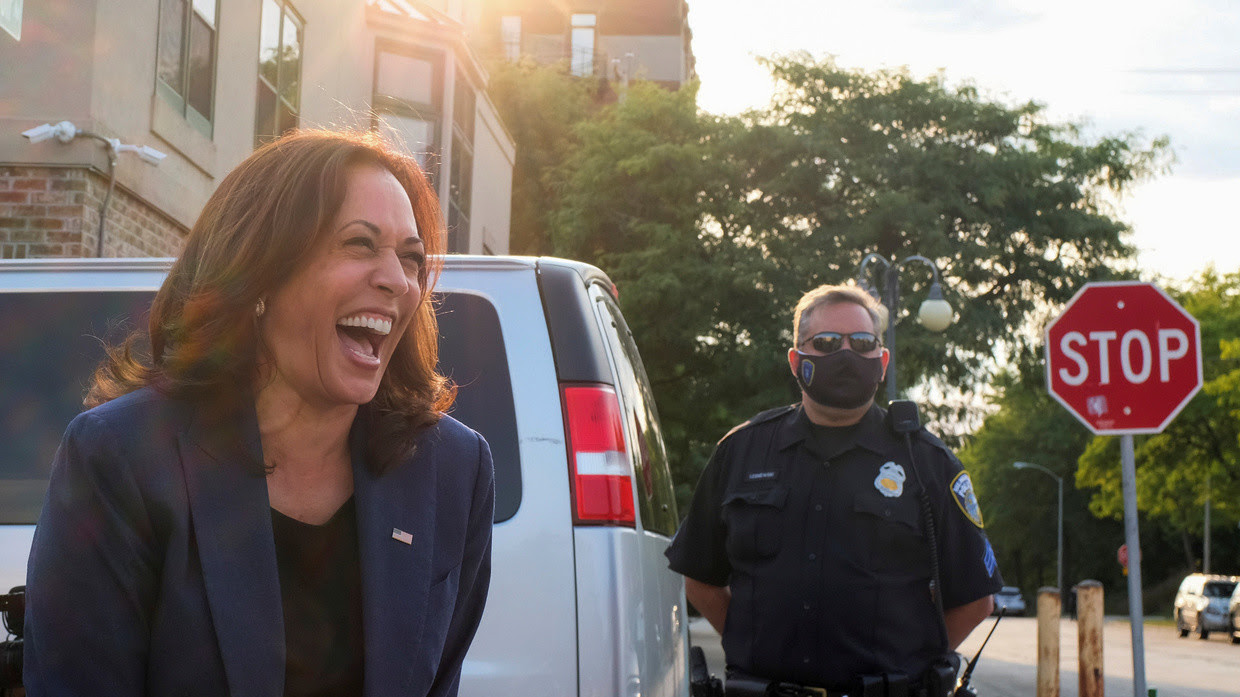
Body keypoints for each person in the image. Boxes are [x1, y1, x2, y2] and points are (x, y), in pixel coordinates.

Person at [23, 130, 495, 697]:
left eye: (412, 258)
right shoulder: (121, 458)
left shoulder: (453, 470)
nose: (398, 280)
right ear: (261, 273)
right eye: (360, 244)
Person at [666, 283, 1001, 697]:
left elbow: (975, 598)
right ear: (796, 360)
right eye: (825, 343)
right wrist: (749, 642)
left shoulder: (928, 463)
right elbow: (698, 575)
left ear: (882, 361)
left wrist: (909, 671)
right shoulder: (742, 451)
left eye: (862, 343)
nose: (845, 355)